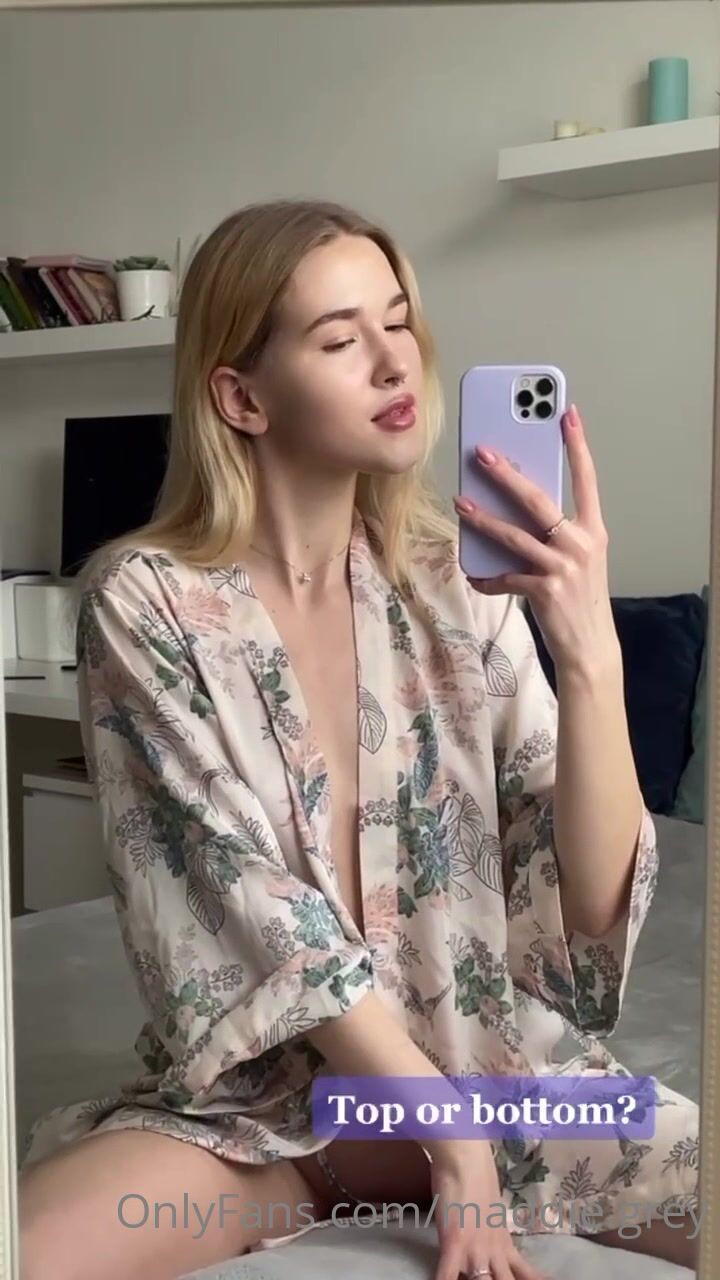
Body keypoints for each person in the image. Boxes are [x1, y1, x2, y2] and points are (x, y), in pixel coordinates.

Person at [18, 199, 698, 1280]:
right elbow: (251, 904)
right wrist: (450, 1145)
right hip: (267, 1119)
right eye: (340, 340)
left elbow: (584, 901)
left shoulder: (457, 583)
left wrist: (591, 657)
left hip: (501, 1082)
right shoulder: (145, 602)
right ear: (241, 397)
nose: (395, 361)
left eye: (398, 322)